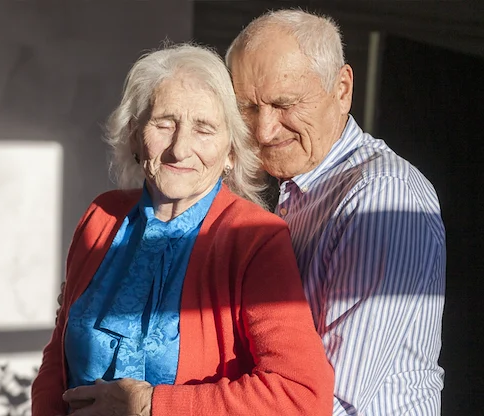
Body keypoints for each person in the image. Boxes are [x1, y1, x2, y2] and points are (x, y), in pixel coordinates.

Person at [31, 43, 333, 416]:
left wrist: (150, 405)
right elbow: (58, 351)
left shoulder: (255, 240)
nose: (180, 149)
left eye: (204, 129)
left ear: (231, 152)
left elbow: (300, 395)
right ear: (134, 134)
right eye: (164, 124)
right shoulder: (102, 216)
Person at [226, 9, 446, 415]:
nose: (264, 130)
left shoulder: (383, 196)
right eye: (248, 109)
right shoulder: (288, 188)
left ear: (342, 89)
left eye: (284, 104)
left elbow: (330, 400)